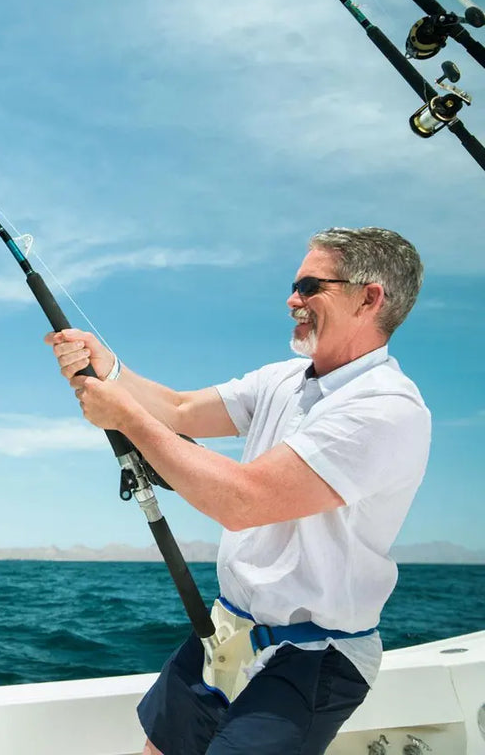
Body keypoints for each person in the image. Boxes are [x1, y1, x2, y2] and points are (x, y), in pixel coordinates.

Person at [46, 227, 430, 755]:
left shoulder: (384, 409)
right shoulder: (283, 380)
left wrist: (126, 418)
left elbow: (243, 501)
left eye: (311, 286)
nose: (292, 299)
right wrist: (108, 367)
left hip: (315, 655)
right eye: (295, 285)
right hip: (226, 632)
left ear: (370, 297)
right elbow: (180, 410)